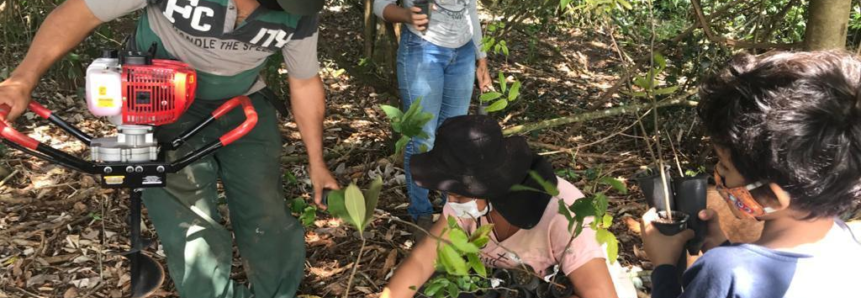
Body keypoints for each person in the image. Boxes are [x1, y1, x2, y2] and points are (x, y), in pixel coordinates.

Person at [0, 0, 340, 297]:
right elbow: (81, 11)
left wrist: (316, 161)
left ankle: (278, 293)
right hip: (160, 99)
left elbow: (305, 81)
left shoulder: (301, 14)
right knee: (189, 221)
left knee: (265, 206)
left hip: (243, 100)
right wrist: (23, 79)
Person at [640, 51, 861, 298]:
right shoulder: (847, 242)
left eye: (725, 167)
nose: (718, 176)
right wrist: (723, 245)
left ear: (771, 198)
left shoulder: (725, 272)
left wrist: (664, 266)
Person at [380, 115, 619, 298]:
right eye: (449, 195)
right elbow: (423, 259)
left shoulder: (563, 216)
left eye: (459, 197)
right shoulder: (468, 202)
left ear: (492, 190)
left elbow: (600, 292)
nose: (452, 205)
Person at [373, 0, 494, 232]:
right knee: (422, 137)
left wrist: (482, 58)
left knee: (454, 135)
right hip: (423, 48)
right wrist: (406, 15)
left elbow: (469, 9)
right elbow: (381, 5)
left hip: (463, 52)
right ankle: (421, 210)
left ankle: (450, 206)